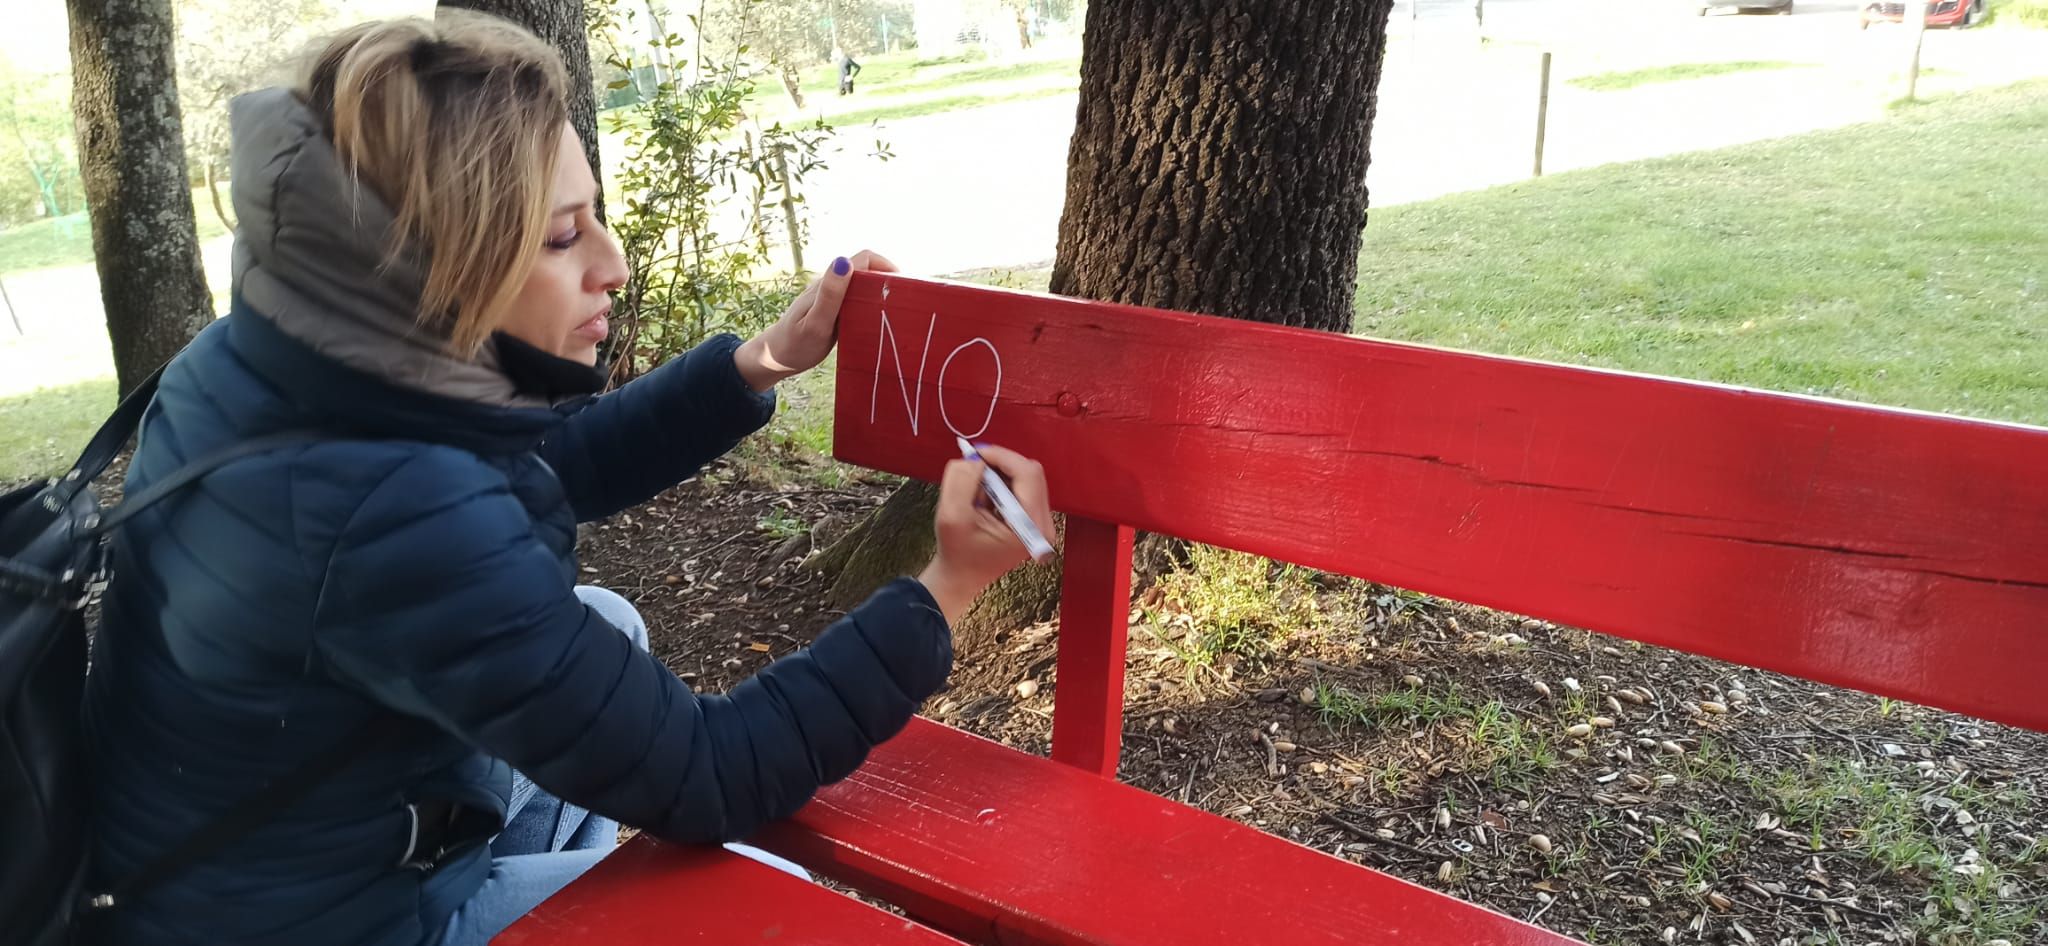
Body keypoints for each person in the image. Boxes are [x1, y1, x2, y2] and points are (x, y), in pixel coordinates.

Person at [80, 12, 1052, 946]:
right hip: (324, 923)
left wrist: (762, 359)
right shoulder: (395, 513)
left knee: (609, 624)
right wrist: (947, 585)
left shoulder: (277, 354)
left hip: (228, 862)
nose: (612, 264)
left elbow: (524, 468)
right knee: (767, 903)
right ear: (433, 261)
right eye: (560, 236)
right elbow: (721, 772)